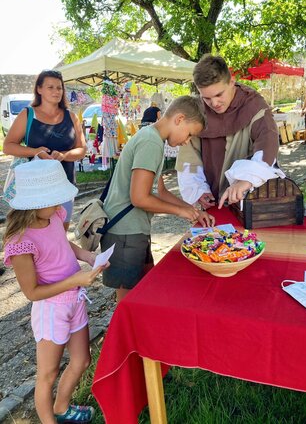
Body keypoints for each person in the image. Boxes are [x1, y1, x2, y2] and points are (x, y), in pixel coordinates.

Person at [3, 159, 108, 424]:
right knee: (46, 376)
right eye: (55, 198)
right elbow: (32, 293)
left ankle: (61, 408)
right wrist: (76, 279)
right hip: (51, 309)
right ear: (35, 202)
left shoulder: (53, 215)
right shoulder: (21, 242)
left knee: (82, 360)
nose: (62, 204)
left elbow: (63, 243)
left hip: (75, 300)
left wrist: (86, 255)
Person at [101, 95, 215, 302]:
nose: (187, 141)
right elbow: (139, 198)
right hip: (125, 232)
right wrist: (182, 212)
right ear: (179, 119)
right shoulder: (151, 142)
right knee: (129, 300)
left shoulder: (152, 138)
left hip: (134, 230)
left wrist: (193, 210)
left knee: (146, 288)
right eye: (189, 134)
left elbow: (160, 192)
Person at [176, 54, 284, 210]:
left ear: (231, 81)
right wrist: (199, 191)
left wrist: (246, 180)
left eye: (219, 94)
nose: (214, 103)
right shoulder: (198, 111)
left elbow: (267, 150)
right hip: (212, 202)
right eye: (206, 98)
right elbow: (189, 159)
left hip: (249, 200)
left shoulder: (254, 105)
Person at [3, 70, 87, 229]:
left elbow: (82, 149)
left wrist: (63, 155)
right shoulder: (27, 115)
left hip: (64, 185)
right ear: (39, 89)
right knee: (32, 236)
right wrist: (35, 152)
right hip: (33, 189)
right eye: (51, 87)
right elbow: (8, 146)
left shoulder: (71, 117)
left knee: (60, 235)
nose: (56, 91)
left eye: (59, 88)